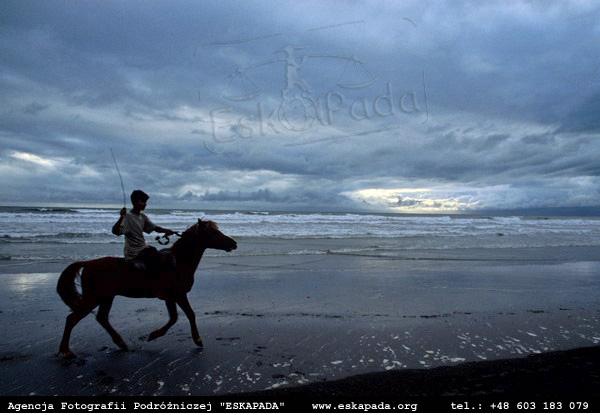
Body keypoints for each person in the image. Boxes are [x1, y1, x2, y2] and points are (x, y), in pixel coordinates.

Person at [112, 190, 175, 274]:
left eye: (145, 202)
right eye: (143, 201)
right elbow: (115, 231)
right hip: (133, 252)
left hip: (143, 248)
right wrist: (121, 217)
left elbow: (155, 228)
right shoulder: (127, 217)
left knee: (164, 254)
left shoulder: (142, 216)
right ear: (135, 202)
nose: (145, 204)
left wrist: (167, 231)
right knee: (156, 258)